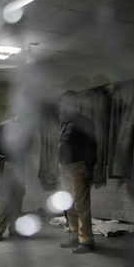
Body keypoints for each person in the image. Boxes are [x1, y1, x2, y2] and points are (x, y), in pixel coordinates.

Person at [58, 90, 97, 254]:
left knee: (81, 204)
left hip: (78, 167)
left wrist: (89, 167)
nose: (62, 105)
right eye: (61, 102)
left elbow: (92, 146)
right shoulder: (65, 122)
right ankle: (74, 235)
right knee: (69, 203)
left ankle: (86, 240)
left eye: (65, 102)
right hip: (64, 167)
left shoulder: (84, 122)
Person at [0, 116, 31, 241]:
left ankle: (14, 228)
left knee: (18, 197)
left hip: (20, 165)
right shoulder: (5, 125)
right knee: (4, 198)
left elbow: (28, 145)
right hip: (6, 163)